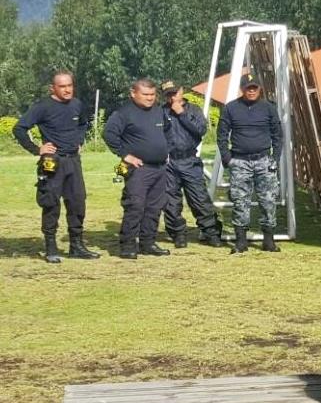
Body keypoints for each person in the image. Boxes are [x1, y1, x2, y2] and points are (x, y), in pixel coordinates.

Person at [13, 70, 100, 263]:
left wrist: (79, 140)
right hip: (52, 161)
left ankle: (76, 246)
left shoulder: (77, 104)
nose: (67, 90)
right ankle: (51, 247)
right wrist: (37, 149)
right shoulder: (42, 107)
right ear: (53, 88)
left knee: (78, 203)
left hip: (73, 161)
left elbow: (84, 124)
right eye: (62, 86)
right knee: (51, 204)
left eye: (70, 85)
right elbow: (19, 128)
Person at [103, 79, 171, 259]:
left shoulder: (158, 111)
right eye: (146, 95)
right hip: (138, 169)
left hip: (160, 168)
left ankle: (148, 243)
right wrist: (125, 155)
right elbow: (109, 134)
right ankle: (127, 245)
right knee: (135, 206)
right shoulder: (124, 113)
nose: (150, 98)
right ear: (133, 93)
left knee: (155, 207)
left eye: (153, 95)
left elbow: (167, 131)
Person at [217, 74, 282, 254]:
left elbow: (278, 135)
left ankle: (269, 241)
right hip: (240, 161)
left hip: (264, 160)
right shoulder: (231, 108)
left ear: (259, 89)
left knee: (268, 201)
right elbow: (221, 135)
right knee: (240, 202)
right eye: (248, 88)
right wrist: (227, 159)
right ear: (242, 89)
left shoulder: (269, 108)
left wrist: (275, 158)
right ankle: (241, 242)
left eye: (254, 88)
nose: (251, 91)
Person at [159, 80, 223, 248]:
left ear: (181, 91)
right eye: (168, 94)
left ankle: (211, 232)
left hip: (189, 160)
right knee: (170, 201)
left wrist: (181, 113)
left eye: (174, 93)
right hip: (169, 162)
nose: (172, 97)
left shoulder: (193, 110)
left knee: (199, 198)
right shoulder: (160, 112)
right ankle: (178, 234)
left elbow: (200, 130)